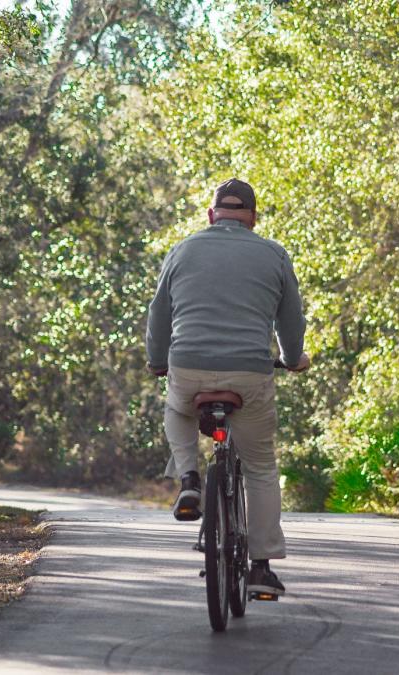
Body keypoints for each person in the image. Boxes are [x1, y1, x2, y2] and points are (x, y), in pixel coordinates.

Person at [146, 178, 309, 598]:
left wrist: (158, 362)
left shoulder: (182, 250)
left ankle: (189, 479)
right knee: (260, 467)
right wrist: (293, 359)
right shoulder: (273, 254)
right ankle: (261, 566)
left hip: (189, 368)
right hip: (249, 374)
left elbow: (159, 315)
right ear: (253, 218)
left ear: (211, 215)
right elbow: (291, 320)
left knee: (177, 410)